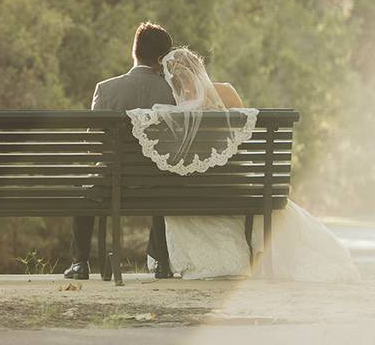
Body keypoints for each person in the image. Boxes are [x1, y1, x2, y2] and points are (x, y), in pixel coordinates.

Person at [128, 47, 361, 282]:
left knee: (176, 205)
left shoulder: (172, 111)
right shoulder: (226, 92)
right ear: (199, 68)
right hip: (238, 189)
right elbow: (244, 143)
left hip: (198, 195)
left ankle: (219, 262)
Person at [64, 21, 176, 280]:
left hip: (111, 180)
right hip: (155, 182)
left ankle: (80, 263)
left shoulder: (106, 89)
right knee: (166, 183)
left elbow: (94, 146)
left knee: (84, 190)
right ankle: (161, 261)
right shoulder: (170, 90)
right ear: (161, 59)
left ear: (134, 51)